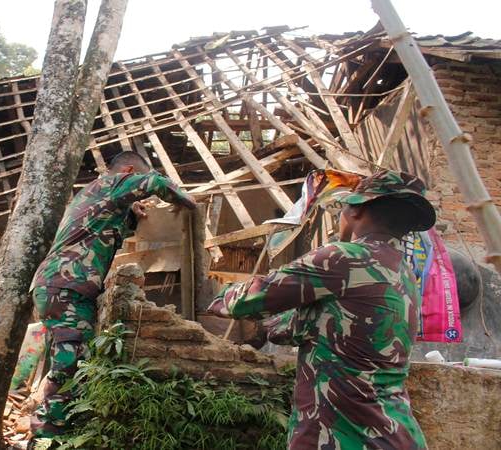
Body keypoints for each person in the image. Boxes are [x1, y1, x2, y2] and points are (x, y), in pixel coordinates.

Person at [208, 169, 432, 449]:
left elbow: (250, 300)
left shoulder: (343, 258)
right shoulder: (402, 272)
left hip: (342, 435)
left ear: (355, 211)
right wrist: (275, 327)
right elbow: (333, 323)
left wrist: (217, 298)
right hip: (395, 432)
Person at [30, 151, 196, 438]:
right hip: (67, 288)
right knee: (71, 368)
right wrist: (188, 203)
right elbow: (156, 182)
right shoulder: (109, 184)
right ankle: (49, 438)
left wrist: (131, 211)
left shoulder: (97, 196)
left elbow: (102, 225)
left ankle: (54, 433)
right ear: (128, 171)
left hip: (59, 288)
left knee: (68, 363)